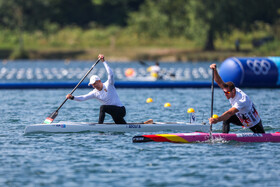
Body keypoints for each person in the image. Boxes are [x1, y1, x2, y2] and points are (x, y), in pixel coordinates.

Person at [66, 54, 126, 124]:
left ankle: (99, 126)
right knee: (121, 125)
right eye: (92, 85)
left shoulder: (109, 84)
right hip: (113, 112)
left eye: (95, 83)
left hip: (121, 110)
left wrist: (103, 61)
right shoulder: (94, 93)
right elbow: (83, 98)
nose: (94, 86)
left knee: (103, 108)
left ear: (99, 81)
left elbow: (111, 74)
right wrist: (72, 97)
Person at [208, 64, 265, 133]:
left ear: (233, 91)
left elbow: (230, 112)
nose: (225, 94)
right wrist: (214, 70)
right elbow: (218, 81)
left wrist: (217, 120)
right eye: (224, 92)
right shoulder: (229, 90)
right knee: (226, 119)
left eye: (227, 93)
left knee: (227, 116)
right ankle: (224, 137)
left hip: (254, 123)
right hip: (241, 118)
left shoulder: (242, 99)